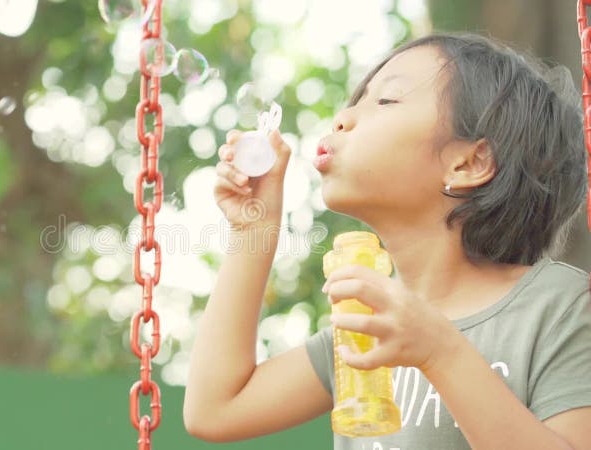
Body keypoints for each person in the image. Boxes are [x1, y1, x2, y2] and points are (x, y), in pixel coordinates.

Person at [183, 31, 591, 449]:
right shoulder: (363, 327)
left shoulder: (561, 306)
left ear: (469, 162)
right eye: (355, 100)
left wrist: (441, 352)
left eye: (385, 100)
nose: (343, 118)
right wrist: (254, 226)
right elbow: (216, 408)